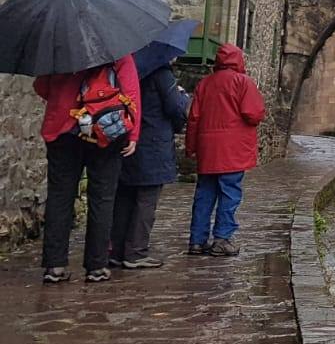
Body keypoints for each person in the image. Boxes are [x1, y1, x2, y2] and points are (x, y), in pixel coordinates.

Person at [34, 55, 141, 284]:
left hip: (62, 130)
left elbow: (41, 86)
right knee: (102, 198)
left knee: (60, 196)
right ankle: (97, 265)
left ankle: (54, 266)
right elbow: (131, 94)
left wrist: (66, 100)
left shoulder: (59, 49)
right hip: (105, 129)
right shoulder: (118, 52)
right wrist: (133, 134)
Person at [186, 44, 265, 257]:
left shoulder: (204, 84)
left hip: (208, 150)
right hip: (232, 150)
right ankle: (222, 238)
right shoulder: (243, 83)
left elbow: (193, 118)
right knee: (229, 193)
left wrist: (191, 147)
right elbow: (253, 114)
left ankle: (196, 240)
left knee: (204, 194)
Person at [110, 58, 189, 269]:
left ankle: (117, 250)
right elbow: (176, 109)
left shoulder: (126, 69)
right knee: (146, 200)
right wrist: (182, 95)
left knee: (124, 197)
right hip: (152, 143)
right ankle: (136, 251)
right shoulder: (162, 75)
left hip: (126, 139)